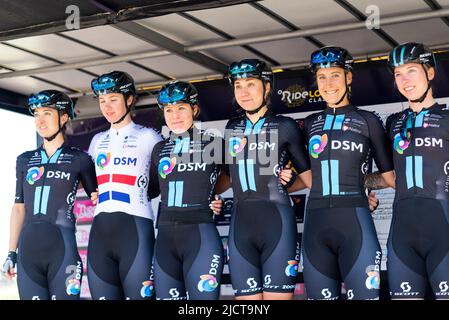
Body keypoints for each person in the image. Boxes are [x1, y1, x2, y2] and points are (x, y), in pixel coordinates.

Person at [299, 46, 395, 300]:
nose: (328, 84)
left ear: (348, 77)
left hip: (355, 223)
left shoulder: (368, 121)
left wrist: (359, 186)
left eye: (335, 75)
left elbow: (388, 178)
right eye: (322, 77)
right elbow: (304, 177)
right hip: (316, 226)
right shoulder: (308, 124)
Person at [221, 58, 312, 300]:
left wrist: (289, 183)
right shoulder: (232, 126)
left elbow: (310, 179)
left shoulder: (285, 126)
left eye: (250, 84)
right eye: (238, 85)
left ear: (267, 87)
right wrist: (205, 197)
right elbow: (228, 178)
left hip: (277, 225)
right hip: (240, 226)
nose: (244, 92)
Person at [2, 90, 97, 300]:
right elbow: (19, 207)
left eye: (47, 113)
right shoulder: (24, 160)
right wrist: (11, 253)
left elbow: (98, 199)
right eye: (36, 114)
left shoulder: (80, 159)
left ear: (63, 117)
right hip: (28, 252)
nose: (40, 120)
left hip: (63, 251)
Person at [87, 71, 161, 300]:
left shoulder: (149, 136)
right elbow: (88, 184)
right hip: (100, 230)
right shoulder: (97, 141)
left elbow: (172, 177)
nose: (107, 107)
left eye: (113, 99)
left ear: (129, 99)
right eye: (102, 101)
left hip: (136, 227)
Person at [384, 42, 449, 299]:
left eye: (411, 70)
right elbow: (390, 177)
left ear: (430, 73)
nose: (404, 80)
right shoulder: (393, 123)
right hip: (402, 234)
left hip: (443, 228)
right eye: (398, 74)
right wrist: (357, 187)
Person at [151, 80, 225, 300]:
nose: (175, 115)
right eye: (169, 110)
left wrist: (214, 194)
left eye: (181, 108)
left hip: (201, 235)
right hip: (165, 238)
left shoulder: (215, 143)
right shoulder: (159, 149)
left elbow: (234, 179)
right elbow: (150, 190)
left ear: (194, 109)